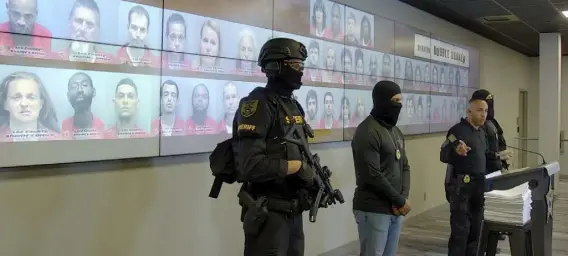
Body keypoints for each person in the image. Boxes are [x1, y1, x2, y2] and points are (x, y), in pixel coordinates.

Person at [233, 37, 314, 256]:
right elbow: (251, 166)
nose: (300, 71)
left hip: (293, 213)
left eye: (302, 66)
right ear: (275, 66)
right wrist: (295, 167)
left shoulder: (292, 105)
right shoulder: (257, 105)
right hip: (269, 216)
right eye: (296, 65)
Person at [351, 80, 411, 256]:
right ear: (383, 101)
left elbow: (405, 166)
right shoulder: (367, 131)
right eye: (396, 101)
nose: (399, 106)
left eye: (401, 101)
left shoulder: (395, 131)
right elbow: (372, 175)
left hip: (395, 209)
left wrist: (402, 198)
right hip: (373, 209)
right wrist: (399, 201)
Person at [440, 98, 488, 256]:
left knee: (476, 232)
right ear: (469, 112)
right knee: (461, 233)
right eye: (480, 110)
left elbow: (482, 155)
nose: (484, 114)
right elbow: (445, 151)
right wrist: (456, 148)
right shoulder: (457, 130)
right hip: (461, 189)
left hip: (478, 188)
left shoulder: (481, 132)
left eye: (486, 111)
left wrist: (497, 155)